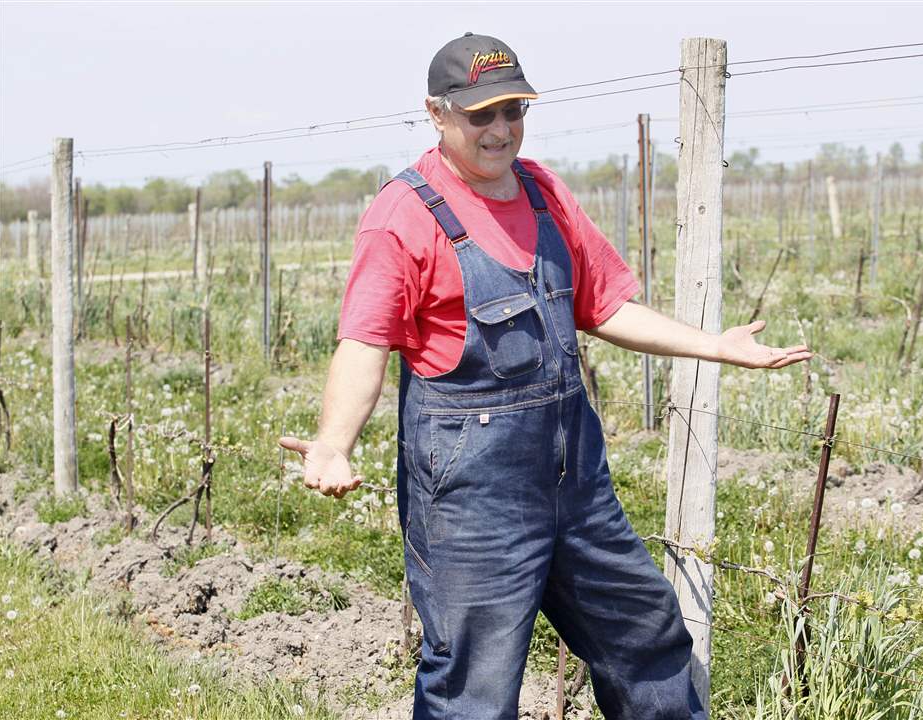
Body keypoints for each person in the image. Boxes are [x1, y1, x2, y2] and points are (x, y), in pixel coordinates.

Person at [279, 32, 812, 720]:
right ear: (437, 114)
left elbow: (605, 304)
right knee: (475, 686)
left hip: (577, 486)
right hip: (474, 500)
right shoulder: (404, 215)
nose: (501, 130)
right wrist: (333, 442)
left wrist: (714, 346)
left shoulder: (543, 192)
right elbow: (364, 341)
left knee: (646, 636)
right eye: (481, 116)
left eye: (514, 111)